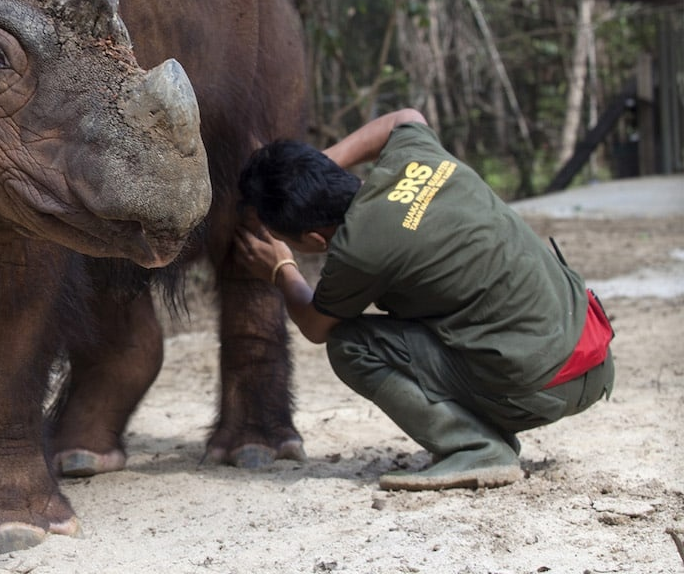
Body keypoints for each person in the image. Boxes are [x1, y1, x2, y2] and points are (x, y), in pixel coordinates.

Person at [234, 108, 614, 491]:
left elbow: (315, 326)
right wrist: (311, 172)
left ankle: (477, 447)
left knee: (350, 346)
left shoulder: (358, 250)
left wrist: (282, 267)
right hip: (592, 351)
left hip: (546, 386)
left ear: (315, 241)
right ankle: (485, 433)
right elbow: (404, 116)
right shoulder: (416, 157)